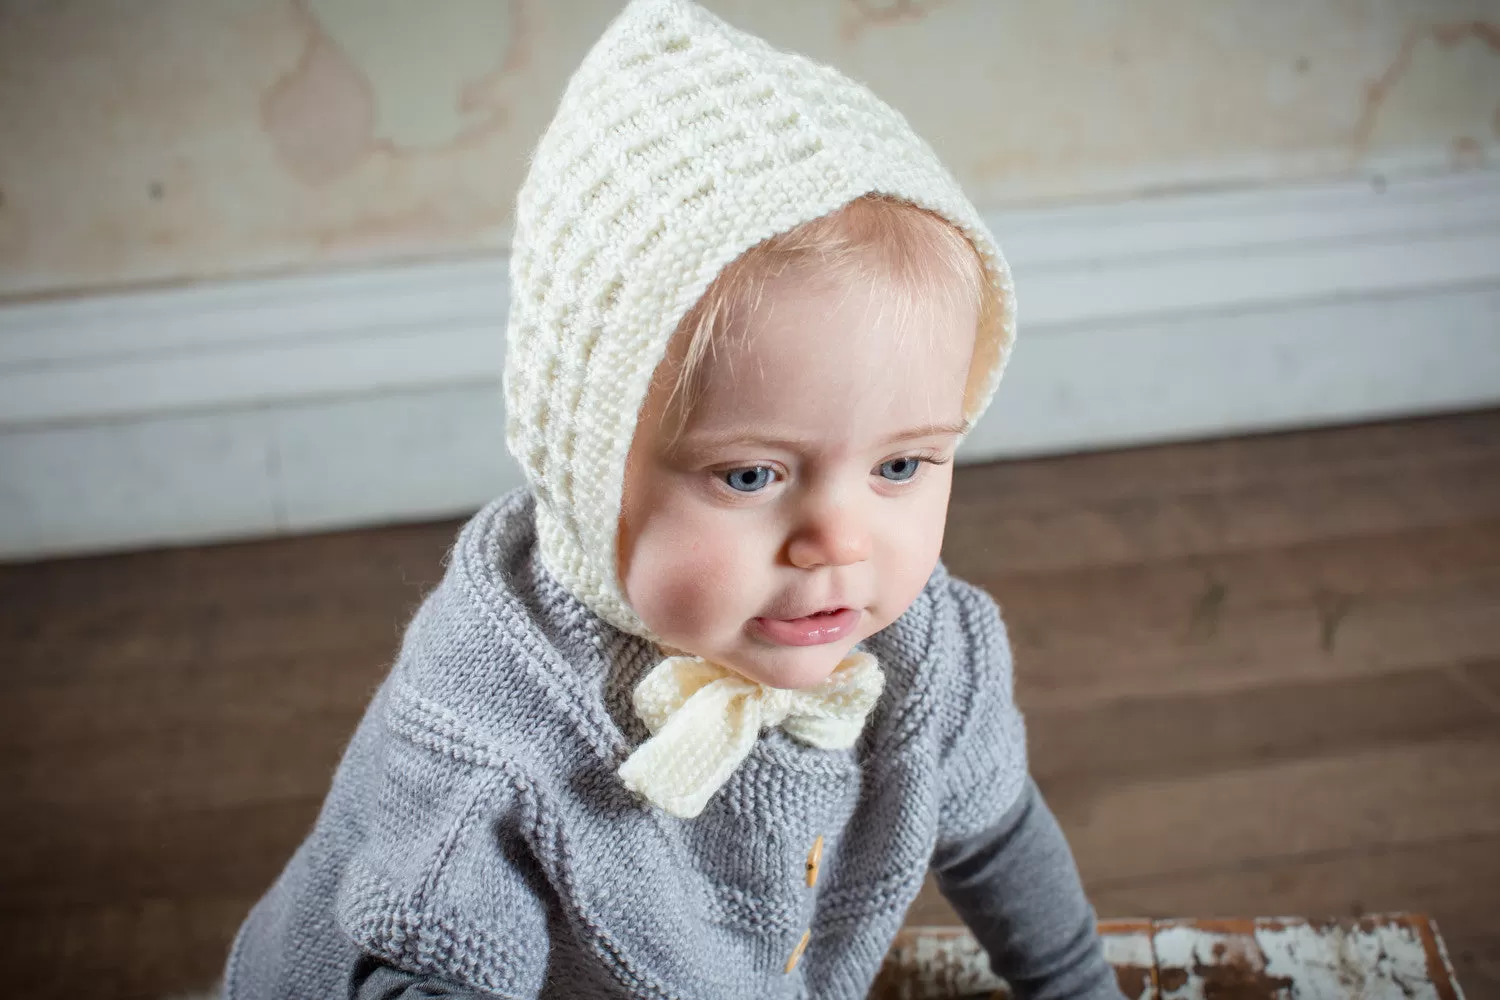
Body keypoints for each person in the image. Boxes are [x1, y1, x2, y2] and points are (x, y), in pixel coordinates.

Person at [224, 1, 1125, 997]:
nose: (838, 540)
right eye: (751, 476)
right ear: (592, 464)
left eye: (902, 466)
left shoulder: (924, 658)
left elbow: (999, 838)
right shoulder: (495, 729)